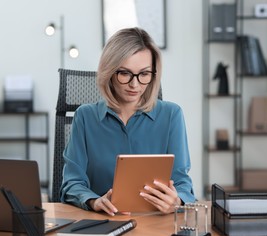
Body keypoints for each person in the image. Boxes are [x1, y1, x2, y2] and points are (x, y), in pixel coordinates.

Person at [60, 27, 195, 216]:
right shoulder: (85, 117)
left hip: (156, 224)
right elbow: (72, 184)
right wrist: (94, 201)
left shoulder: (172, 115)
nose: (135, 84)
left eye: (144, 74)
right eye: (125, 73)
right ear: (109, 72)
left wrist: (177, 200)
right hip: (103, 222)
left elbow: (182, 183)